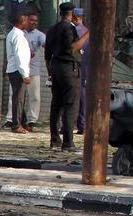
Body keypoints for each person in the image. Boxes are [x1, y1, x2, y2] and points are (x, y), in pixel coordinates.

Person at [45, 2, 87, 150]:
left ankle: (55, 140)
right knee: (71, 104)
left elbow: (47, 55)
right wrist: (88, 34)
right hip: (69, 68)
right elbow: (73, 47)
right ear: (73, 14)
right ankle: (68, 142)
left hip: (55, 67)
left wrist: (50, 73)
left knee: (56, 105)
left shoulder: (52, 29)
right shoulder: (69, 28)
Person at [5, 5, 34, 133]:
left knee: (20, 97)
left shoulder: (14, 34)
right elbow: (19, 56)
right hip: (18, 70)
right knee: (19, 98)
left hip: (15, 69)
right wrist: (24, 74)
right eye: (27, 20)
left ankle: (23, 121)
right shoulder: (17, 36)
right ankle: (16, 124)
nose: (28, 22)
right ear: (22, 21)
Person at [74, 7, 88, 134]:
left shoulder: (74, 31)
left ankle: (69, 124)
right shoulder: (86, 31)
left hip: (75, 67)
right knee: (83, 96)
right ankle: (82, 124)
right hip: (86, 67)